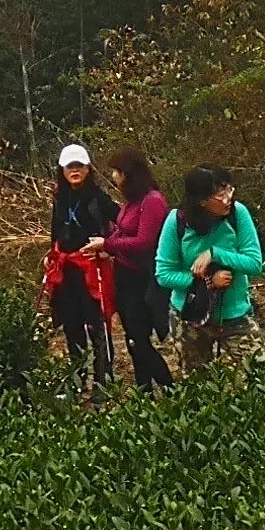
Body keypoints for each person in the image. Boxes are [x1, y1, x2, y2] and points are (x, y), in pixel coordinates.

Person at [157, 165, 265, 375]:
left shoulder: (237, 214)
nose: (228, 199)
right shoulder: (177, 221)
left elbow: (254, 263)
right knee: (197, 381)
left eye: (229, 190)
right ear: (202, 201)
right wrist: (207, 283)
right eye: (220, 195)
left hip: (234, 314)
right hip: (190, 315)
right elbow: (164, 273)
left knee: (260, 374)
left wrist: (216, 254)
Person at [42, 143, 118, 394]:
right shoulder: (59, 198)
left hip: (91, 268)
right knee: (71, 324)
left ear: (88, 169)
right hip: (66, 270)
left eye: (79, 166)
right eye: (69, 166)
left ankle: (102, 381)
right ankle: (77, 379)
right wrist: (52, 255)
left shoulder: (98, 197)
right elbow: (55, 231)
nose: (74, 171)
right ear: (62, 170)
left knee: (96, 324)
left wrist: (108, 246)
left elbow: (122, 222)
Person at [104, 147, 177, 392]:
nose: (114, 177)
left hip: (141, 278)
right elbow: (122, 233)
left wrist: (108, 244)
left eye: (117, 172)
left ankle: (170, 388)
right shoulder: (131, 202)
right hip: (124, 276)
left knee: (139, 340)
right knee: (132, 339)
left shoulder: (152, 201)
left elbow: (145, 241)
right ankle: (143, 391)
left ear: (128, 173)